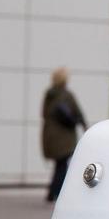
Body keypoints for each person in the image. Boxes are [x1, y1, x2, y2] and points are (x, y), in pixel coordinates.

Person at [41, 67, 87, 202]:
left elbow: (43, 113)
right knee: (62, 165)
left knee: (59, 164)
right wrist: (85, 127)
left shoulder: (49, 95)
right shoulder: (67, 95)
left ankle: (52, 192)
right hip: (64, 136)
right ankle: (58, 192)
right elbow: (78, 113)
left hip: (49, 135)